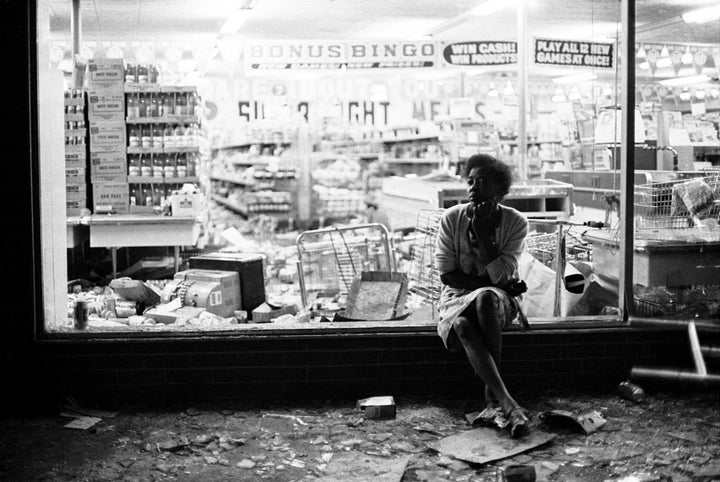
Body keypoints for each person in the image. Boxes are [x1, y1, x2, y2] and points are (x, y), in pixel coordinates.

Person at [434, 153, 530, 438]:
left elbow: (500, 276)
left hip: (496, 301)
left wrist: (486, 237)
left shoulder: (516, 223)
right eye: (470, 181)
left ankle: (492, 393)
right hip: (456, 296)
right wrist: (490, 282)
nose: (473, 187)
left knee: (486, 298)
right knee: (463, 323)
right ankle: (505, 402)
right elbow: (446, 274)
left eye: (482, 181)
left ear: (500, 189)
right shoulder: (452, 218)